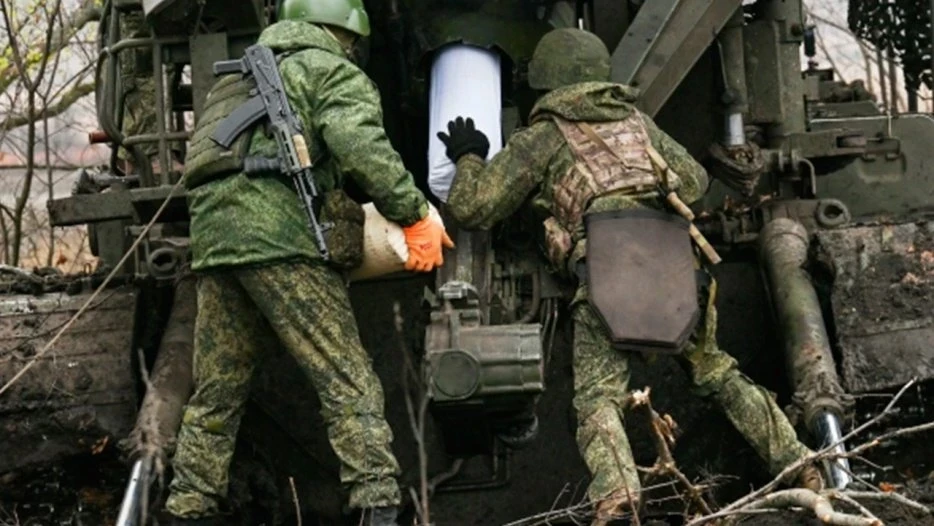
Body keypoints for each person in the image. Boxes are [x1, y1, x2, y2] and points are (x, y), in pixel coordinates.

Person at [438, 28, 823, 525]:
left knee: (598, 398)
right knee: (718, 374)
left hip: (607, 272)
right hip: (675, 265)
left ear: (545, 81)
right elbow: (694, 182)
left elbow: (474, 207)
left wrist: (469, 154)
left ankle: (618, 499)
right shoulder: (638, 122)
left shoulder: (544, 135)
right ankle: (800, 464)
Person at [162, 0, 453, 524]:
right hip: (280, 242)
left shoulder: (232, 80)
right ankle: (377, 504)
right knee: (347, 380)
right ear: (345, 33)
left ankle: (188, 507)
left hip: (215, 246)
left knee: (217, 391)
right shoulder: (328, 70)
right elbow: (362, 147)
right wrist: (414, 214)